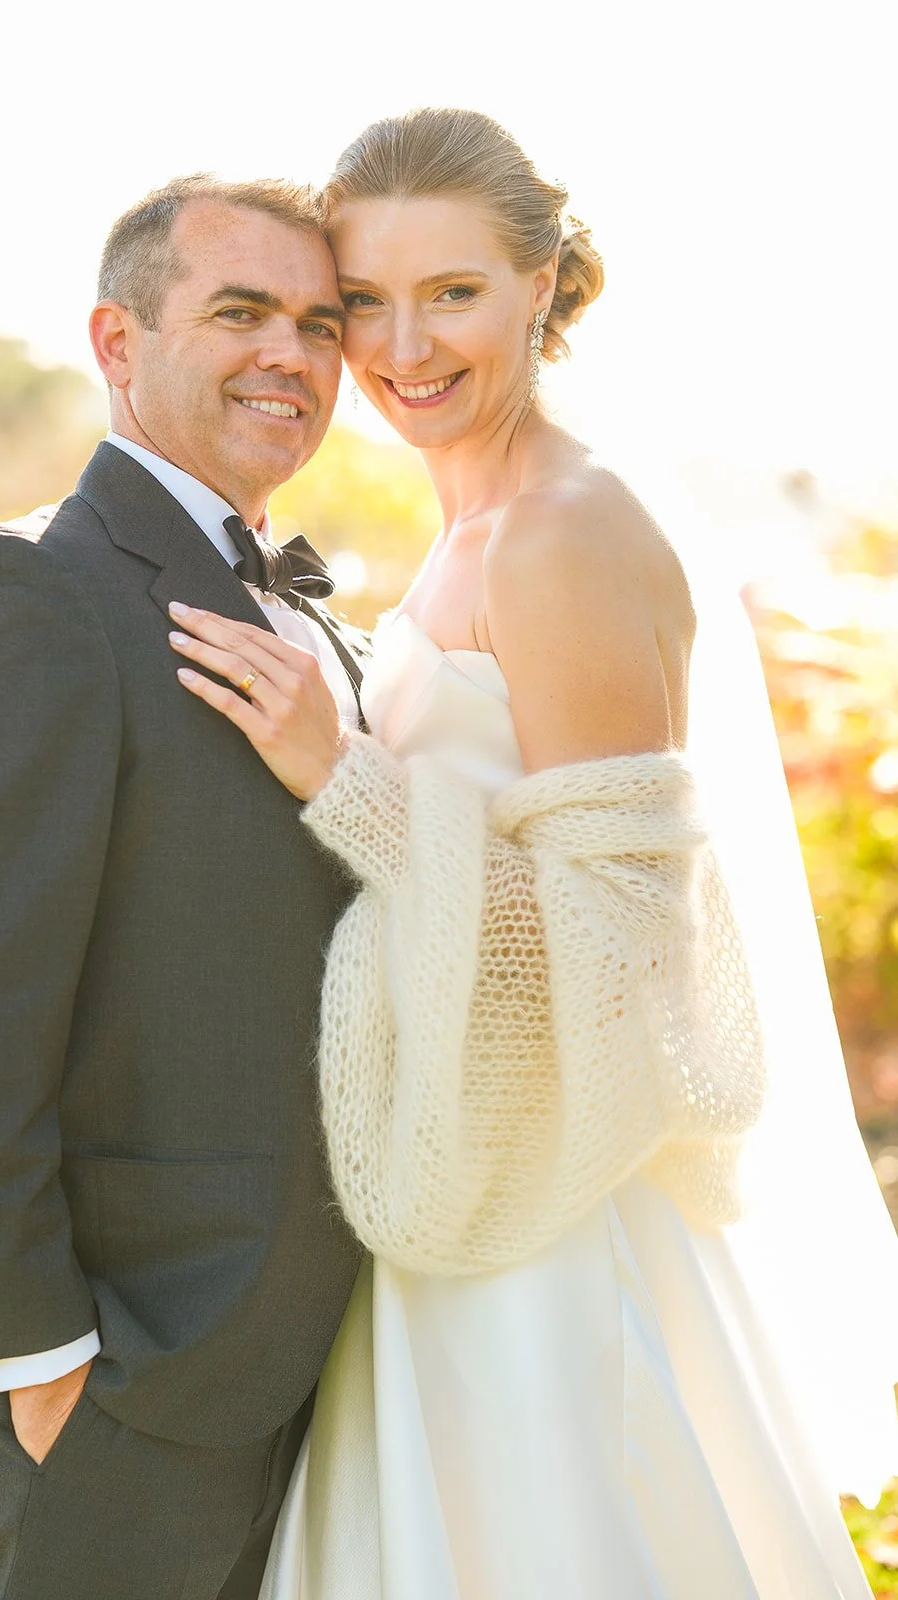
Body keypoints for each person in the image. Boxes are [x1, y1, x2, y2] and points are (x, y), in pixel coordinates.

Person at [167, 108, 898, 1597]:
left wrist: (343, 778)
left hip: (548, 1247)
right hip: (463, 1177)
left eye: (453, 293)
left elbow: (619, 955)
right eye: (364, 300)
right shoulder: (468, 527)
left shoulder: (563, 532)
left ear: (541, 283)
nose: (402, 347)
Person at [0, 175, 370, 1600]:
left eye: (319, 323)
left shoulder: (320, 625)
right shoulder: (28, 592)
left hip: (309, 1378)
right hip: (112, 1392)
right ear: (117, 342)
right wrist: (36, 1371)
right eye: (241, 311)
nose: (289, 354)